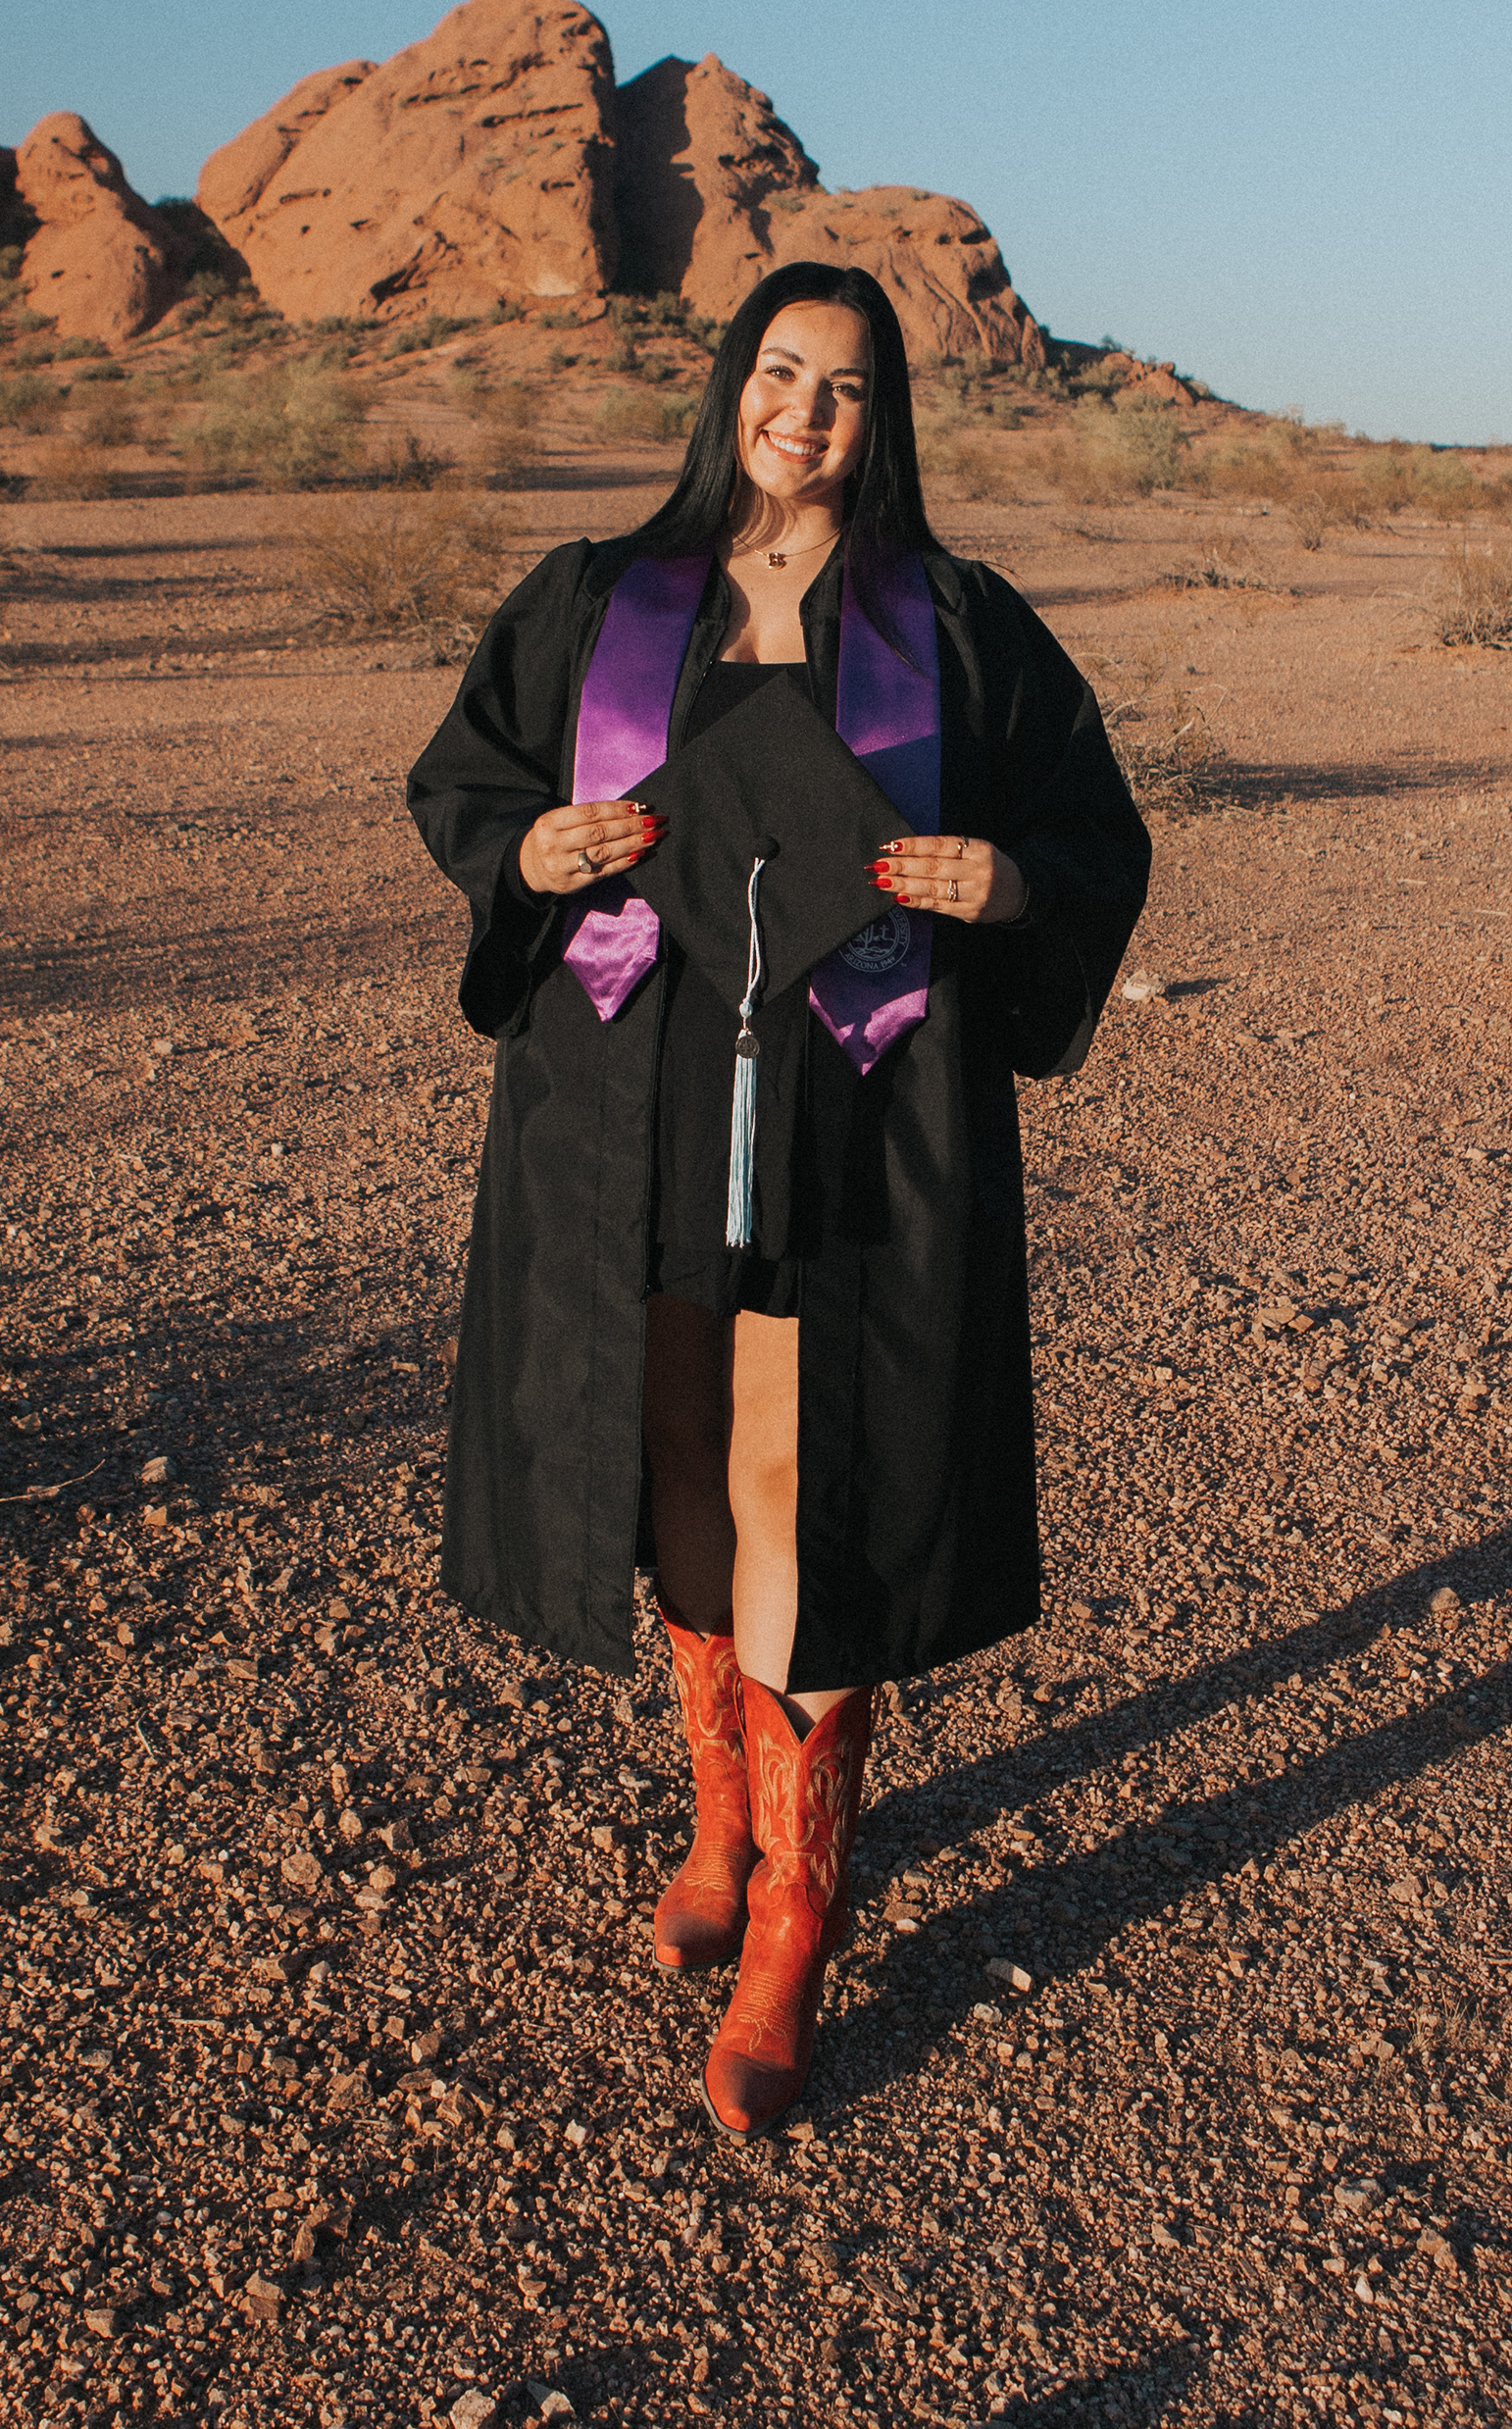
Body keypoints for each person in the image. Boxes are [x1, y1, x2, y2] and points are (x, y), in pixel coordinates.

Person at [407, 262, 1149, 2136]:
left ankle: (800, 1907)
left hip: (856, 1102)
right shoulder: (598, 596)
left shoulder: (952, 622)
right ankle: (720, 1821)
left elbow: (1088, 830)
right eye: (778, 369)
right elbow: (468, 780)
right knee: (673, 1446)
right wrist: (531, 850)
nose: (801, 412)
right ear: (730, 379)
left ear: (885, 418)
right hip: (631, 1092)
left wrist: (1005, 886)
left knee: (798, 1473)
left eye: (845, 386)